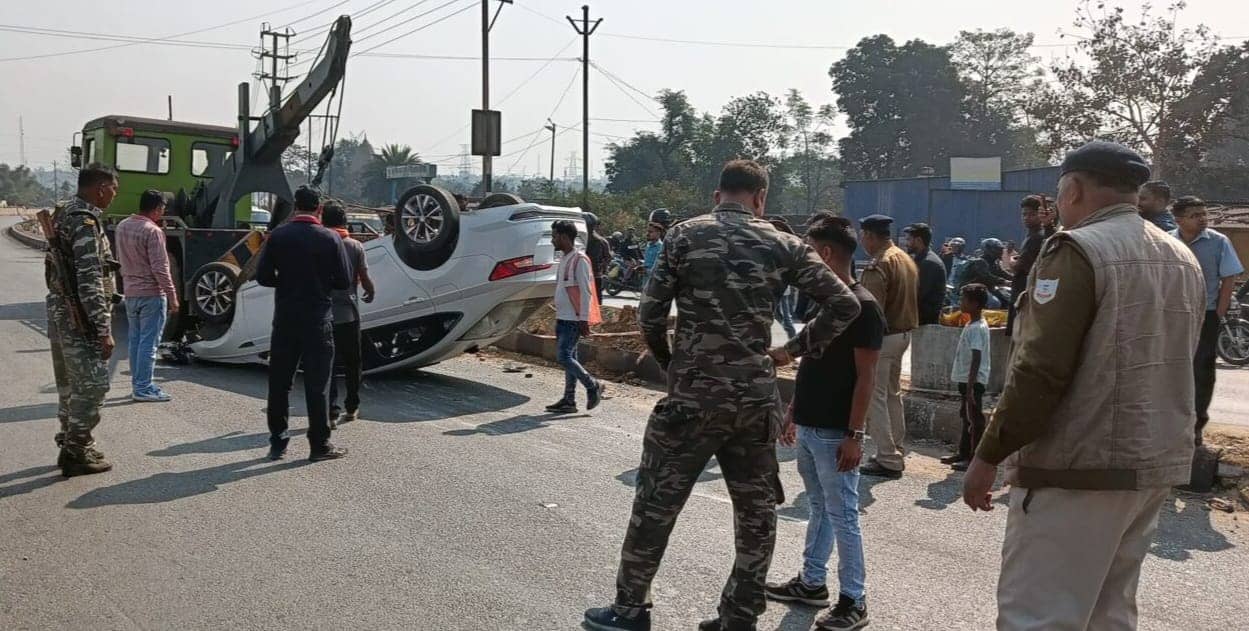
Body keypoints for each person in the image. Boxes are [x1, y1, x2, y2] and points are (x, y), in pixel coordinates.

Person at [584, 160, 862, 631]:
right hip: (754, 401)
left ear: (718, 196)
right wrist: (790, 351)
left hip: (691, 397)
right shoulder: (785, 244)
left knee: (655, 506)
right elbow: (846, 304)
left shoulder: (682, 236)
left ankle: (630, 609)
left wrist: (672, 364)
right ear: (761, 199)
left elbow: (650, 315)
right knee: (756, 516)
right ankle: (739, 617)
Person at [962, 141, 1205, 630]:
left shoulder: (1077, 248)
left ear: (1072, 189)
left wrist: (987, 455)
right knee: (1109, 615)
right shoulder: (1181, 255)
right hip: (1152, 463)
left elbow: (1038, 371)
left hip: (1077, 467)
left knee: (1037, 616)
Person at [766, 215, 883, 631]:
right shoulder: (827, 303)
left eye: (808, 251)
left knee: (843, 515)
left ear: (826, 254)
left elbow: (866, 378)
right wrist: (794, 410)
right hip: (812, 423)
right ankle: (811, 582)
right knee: (819, 507)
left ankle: (854, 599)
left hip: (836, 431)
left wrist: (855, 435)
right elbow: (811, 364)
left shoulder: (863, 308)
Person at [256, 185, 351, 462]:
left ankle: (278, 442)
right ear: (319, 209)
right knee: (317, 384)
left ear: (295, 206)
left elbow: (263, 276)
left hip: (285, 319)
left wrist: (285, 282)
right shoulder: (330, 238)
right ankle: (319, 445)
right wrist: (321, 285)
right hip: (318, 319)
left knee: (279, 383)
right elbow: (344, 281)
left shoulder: (278, 236)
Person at [45, 163, 121, 477]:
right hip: (79, 317)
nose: (115, 195)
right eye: (114, 189)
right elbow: (90, 279)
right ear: (101, 188)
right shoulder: (85, 221)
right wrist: (103, 330)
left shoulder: (65, 213)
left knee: (69, 385)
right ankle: (76, 450)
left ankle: (71, 440)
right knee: (93, 386)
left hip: (60, 311)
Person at [1170, 196, 1244, 444]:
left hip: (1206, 314)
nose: (1203, 219)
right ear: (1178, 220)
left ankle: (1196, 426)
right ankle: (1169, 423)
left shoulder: (1218, 242)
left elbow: (1229, 279)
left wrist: (1219, 313)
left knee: (1201, 370)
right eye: (1195, 215)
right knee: (1169, 367)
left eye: (1204, 214)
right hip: (1172, 315)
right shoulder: (1166, 241)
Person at [856, 214, 917, 479]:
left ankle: (887, 457)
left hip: (884, 338)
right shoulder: (904, 258)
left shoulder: (878, 264)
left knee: (874, 398)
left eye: (863, 235)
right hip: (903, 335)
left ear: (869, 235)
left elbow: (870, 311)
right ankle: (895, 449)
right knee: (892, 395)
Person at [115, 189, 179, 402]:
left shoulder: (122, 226)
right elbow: (160, 268)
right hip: (152, 294)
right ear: (157, 208)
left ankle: (138, 382)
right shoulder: (153, 231)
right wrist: (172, 295)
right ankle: (143, 387)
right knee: (149, 344)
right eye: (162, 208)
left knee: (135, 341)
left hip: (130, 292)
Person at [322, 202, 376, 427]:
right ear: (344, 222)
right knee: (354, 362)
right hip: (349, 314)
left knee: (329, 364)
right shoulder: (355, 246)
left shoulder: (321, 244)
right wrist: (370, 291)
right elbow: (364, 277)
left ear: (324, 221)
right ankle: (352, 407)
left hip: (325, 315)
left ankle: (331, 413)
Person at [545, 219, 605, 414]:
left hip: (573, 319)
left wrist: (583, 319)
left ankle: (592, 385)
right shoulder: (564, 258)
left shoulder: (580, 260)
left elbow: (586, 292)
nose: (552, 240)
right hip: (563, 317)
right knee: (570, 357)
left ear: (563, 237)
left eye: (554, 236)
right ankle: (569, 400)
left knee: (564, 357)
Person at [941, 284, 990, 472]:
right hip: (966, 380)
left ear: (975, 304)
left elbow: (976, 358)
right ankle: (963, 452)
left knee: (975, 419)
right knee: (966, 415)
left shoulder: (977, 328)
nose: (961, 303)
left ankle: (973, 457)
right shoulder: (971, 323)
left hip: (973, 381)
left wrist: (970, 386)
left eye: (964, 300)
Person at [1005, 195, 1049, 337]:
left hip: (1024, 292)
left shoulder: (1037, 237)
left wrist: (1010, 258)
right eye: (1024, 214)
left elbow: (1017, 266)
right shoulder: (1031, 236)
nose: (1026, 217)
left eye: (1031, 214)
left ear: (1040, 214)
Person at [902, 223, 947, 325]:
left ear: (918, 240)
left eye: (909, 240)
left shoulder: (928, 263)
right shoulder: (921, 260)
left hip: (925, 322)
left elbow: (917, 294)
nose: (906, 243)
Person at [958, 238, 1012, 307]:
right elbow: (986, 276)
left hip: (986, 290)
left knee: (1008, 298)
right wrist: (1005, 282)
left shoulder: (994, 263)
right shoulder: (979, 262)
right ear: (988, 249)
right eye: (997, 249)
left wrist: (1016, 278)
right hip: (972, 291)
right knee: (995, 303)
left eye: (1000, 249)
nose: (1000, 251)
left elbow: (1003, 273)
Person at [585, 212, 614, 304]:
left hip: (583, 276)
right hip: (596, 275)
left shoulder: (578, 239)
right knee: (597, 302)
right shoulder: (602, 241)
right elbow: (608, 257)